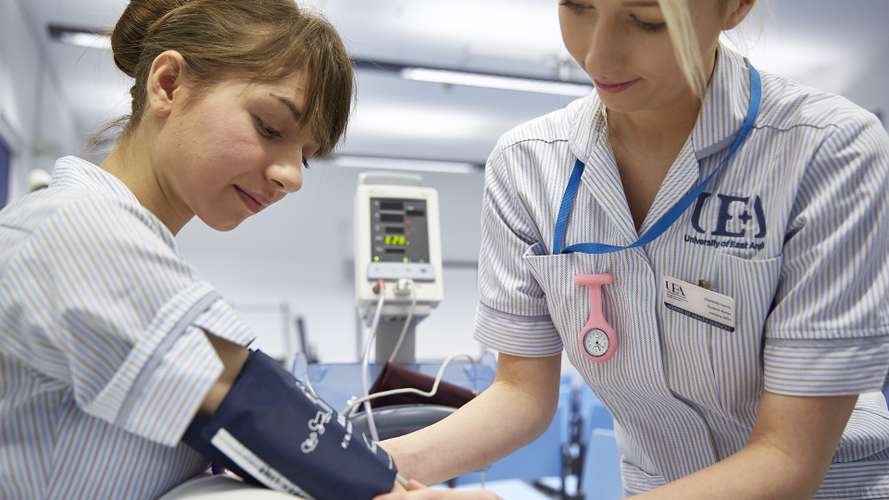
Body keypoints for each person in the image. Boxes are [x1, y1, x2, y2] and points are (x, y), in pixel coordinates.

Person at [377, 0, 889, 498]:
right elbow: (521, 395)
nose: (598, 57)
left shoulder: (828, 151)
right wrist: (356, 466)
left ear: (736, 7)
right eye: (577, 8)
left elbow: (786, 459)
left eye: (648, 21)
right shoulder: (527, 166)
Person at [0, 1, 435, 498]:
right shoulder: (77, 231)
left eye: (306, 159)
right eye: (270, 128)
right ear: (168, 84)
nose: (290, 177)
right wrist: (392, 489)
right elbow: (254, 405)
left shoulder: (121, 240)